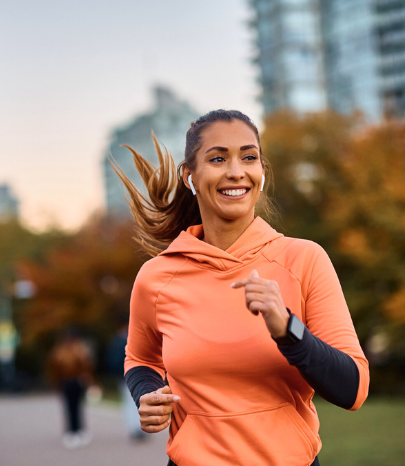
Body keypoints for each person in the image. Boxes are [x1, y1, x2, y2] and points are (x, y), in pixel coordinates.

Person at [115, 110, 370, 466]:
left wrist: (288, 330)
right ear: (190, 175)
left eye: (248, 157)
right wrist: (147, 393)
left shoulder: (304, 260)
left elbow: (353, 389)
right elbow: (140, 358)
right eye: (218, 158)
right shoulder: (157, 277)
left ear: (261, 172)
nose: (236, 171)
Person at [47, 329, 95, 449]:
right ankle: (75, 430)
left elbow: (54, 369)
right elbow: (86, 366)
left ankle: (75, 430)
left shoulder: (60, 351)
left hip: (69, 382)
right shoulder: (79, 350)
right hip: (72, 381)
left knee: (72, 407)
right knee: (74, 407)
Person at [105, 324, 147, 441]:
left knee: (132, 402)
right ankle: (136, 427)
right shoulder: (122, 342)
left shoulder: (117, 342)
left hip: (128, 376)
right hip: (129, 375)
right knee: (132, 402)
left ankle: (137, 427)